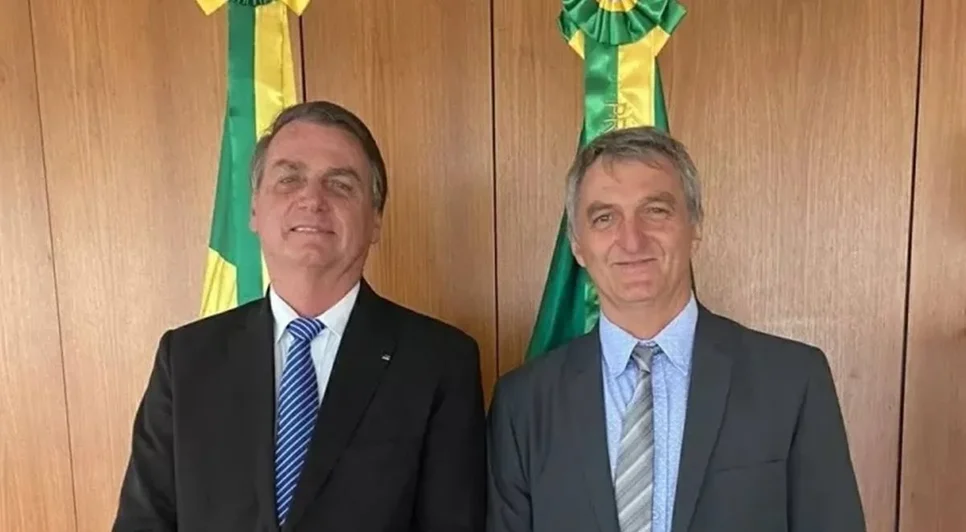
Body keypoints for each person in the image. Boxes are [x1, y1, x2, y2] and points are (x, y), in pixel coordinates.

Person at [113, 101, 486, 531]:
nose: (312, 199)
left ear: (376, 219)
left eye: (340, 184)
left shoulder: (439, 362)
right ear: (254, 210)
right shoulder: (186, 358)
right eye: (289, 179)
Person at [486, 126, 865, 532]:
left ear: (695, 225)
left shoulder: (791, 381)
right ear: (577, 245)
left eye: (655, 211)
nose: (632, 240)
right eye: (604, 218)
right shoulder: (522, 404)